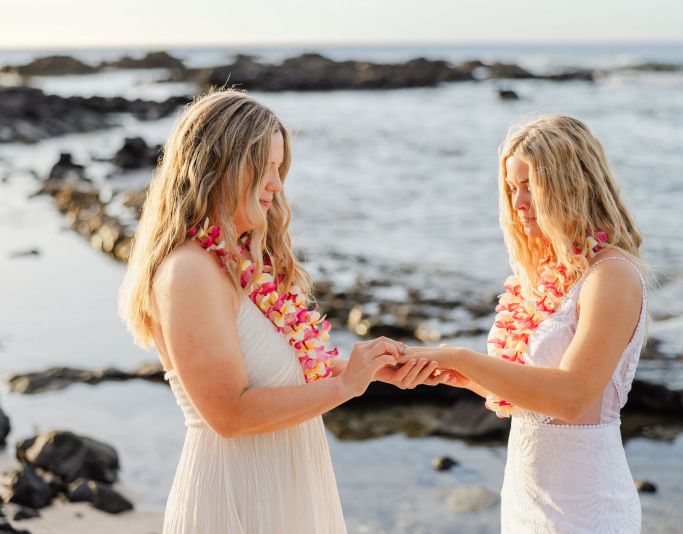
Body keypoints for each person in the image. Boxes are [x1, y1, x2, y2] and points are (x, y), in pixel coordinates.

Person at [118, 88, 439, 533]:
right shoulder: (189, 271)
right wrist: (346, 385)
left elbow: (275, 374)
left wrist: (369, 369)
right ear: (220, 166)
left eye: (279, 168)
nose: (276, 184)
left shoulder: (238, 263)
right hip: (236, 500)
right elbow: (229, 414)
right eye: (263, 168)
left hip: (284, 493)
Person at [406, 115, 647, 533]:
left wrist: (461, 357)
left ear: (571, 184)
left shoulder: (611, 276)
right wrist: (463, 377)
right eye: (511, 188)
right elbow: (535, 399)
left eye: (529, 186)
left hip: (584, 508)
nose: (517, 203)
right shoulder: (548, 273)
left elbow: (572, 398)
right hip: (527, 499)